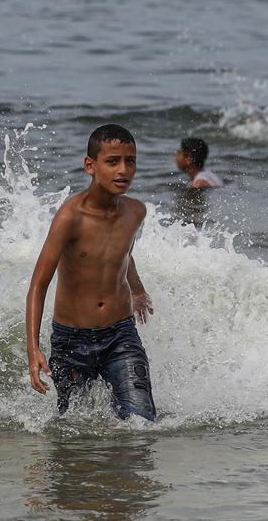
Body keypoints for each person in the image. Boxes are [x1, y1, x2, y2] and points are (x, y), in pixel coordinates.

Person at [25, 124, 156, 421]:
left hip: (120, 335)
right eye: (112, 161)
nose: (123, 170)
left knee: (142, 423)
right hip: (71, 342)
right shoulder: (70, 217)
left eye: (130, 161)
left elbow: (123, 254)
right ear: (90, 165)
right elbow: (38, 286)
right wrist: (33, 348)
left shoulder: (135, 212)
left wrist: (137, 290)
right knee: (73, 430)